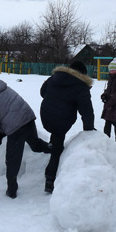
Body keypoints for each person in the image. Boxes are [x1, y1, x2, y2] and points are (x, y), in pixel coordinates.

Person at [0, 78, 52, 199]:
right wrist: (0, 135)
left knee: (12, 159)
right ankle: (54, 149)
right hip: (28, 118)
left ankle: (11, 190)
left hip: (16, 127)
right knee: (35, 144)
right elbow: (6, 112)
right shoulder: (4, 88)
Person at [40, 61, 95, 193]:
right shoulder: (81, 86)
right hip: (62, 119)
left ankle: (51, 147)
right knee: (57, 147)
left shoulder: (55, 77)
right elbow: (86, 111)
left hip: (46, 115)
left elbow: (43, 92)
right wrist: (89, 130)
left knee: (55, 138)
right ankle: (50, 178)